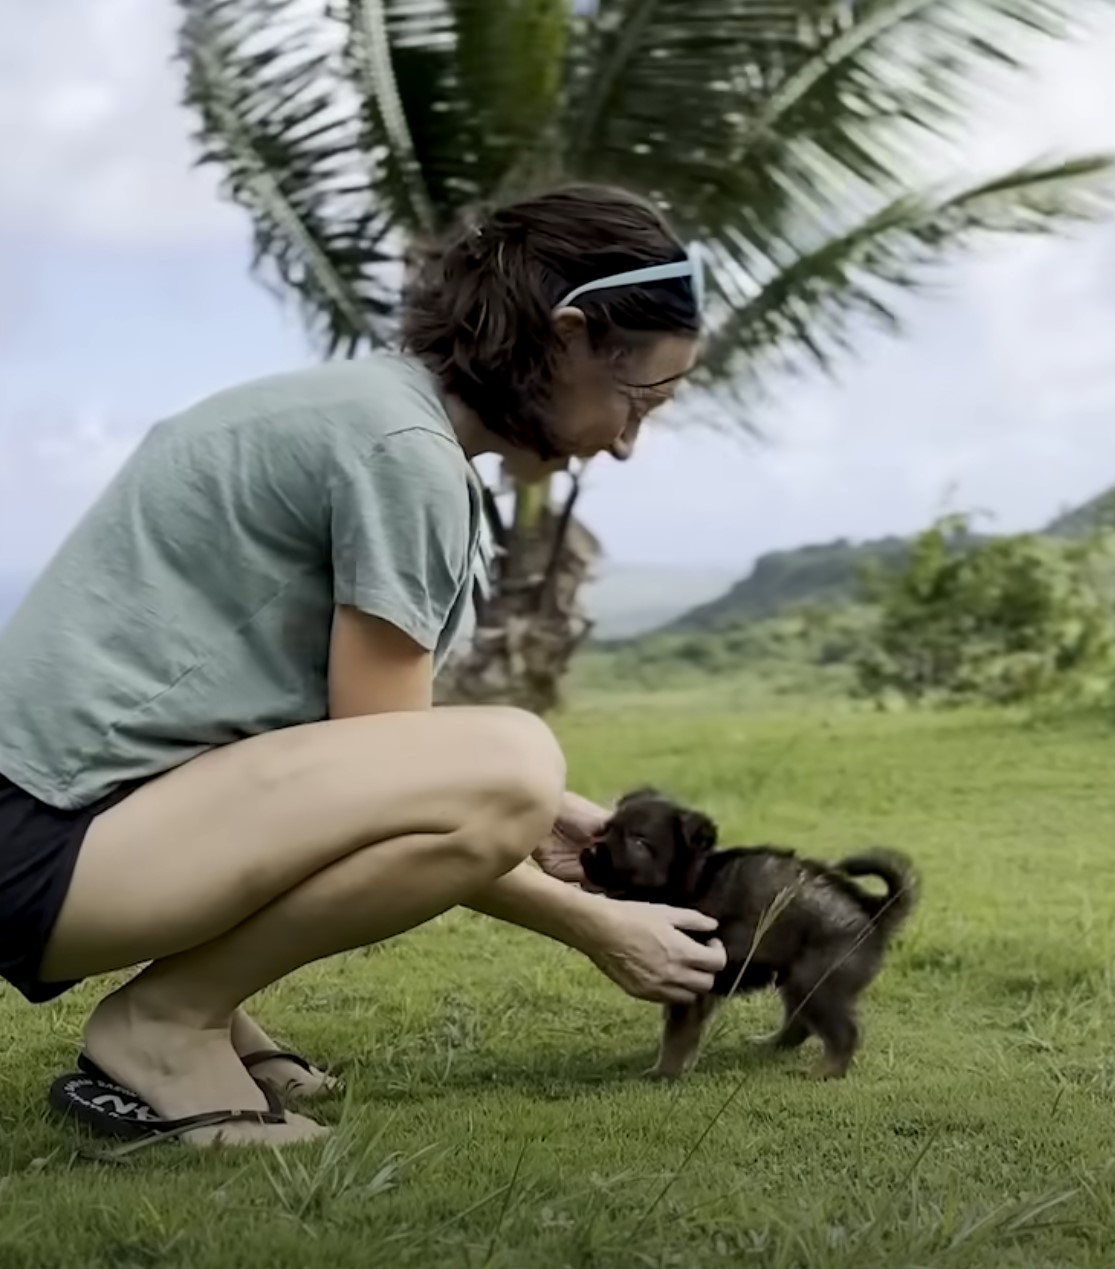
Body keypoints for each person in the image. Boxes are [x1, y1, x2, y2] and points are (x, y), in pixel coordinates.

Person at [0, 184, 726, 1148]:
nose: (627, 443)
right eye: (639, 398)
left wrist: (555, 812)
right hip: (51, 849)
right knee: (511, 759)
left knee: (514, 773)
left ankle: (207, 1016)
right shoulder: (406, 455)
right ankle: (163, 1028)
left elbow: (296, 729)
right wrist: (594, 923)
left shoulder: (368, 408)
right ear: (566, 338)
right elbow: (390, 763)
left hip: (64, 825)